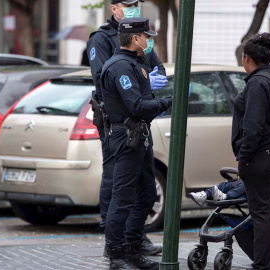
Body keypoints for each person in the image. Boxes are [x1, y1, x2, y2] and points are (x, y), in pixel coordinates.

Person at [86, 0, 167, 256]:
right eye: (128, 4)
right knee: (119, 191)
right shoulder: (104, 43)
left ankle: (133, 240)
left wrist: (149, 88)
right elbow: (113, 88)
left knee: (144, 191)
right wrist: (164, 100)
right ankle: (115, 247)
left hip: (139, 130)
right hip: (121, 128)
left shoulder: (135, 55)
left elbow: (157, 69)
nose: (133, 7)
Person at [100, 17, 173, 270]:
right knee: (122, 197)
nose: (149, 40)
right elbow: (137, 106)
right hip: (126, 137)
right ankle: (116, 254)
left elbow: (143, 101)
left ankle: (133, 246)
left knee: (147, 193)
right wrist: (168, 102)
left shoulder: (136, 62)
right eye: (146, 36)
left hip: (140, 135)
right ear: (135, 39)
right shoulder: (121, 66)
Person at [231, 32, 270, 270]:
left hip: (260, 157)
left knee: (261, 212)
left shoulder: (257, 83)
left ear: (247, 58)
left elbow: (252, 126)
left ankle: (262, 264)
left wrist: (244, 159)